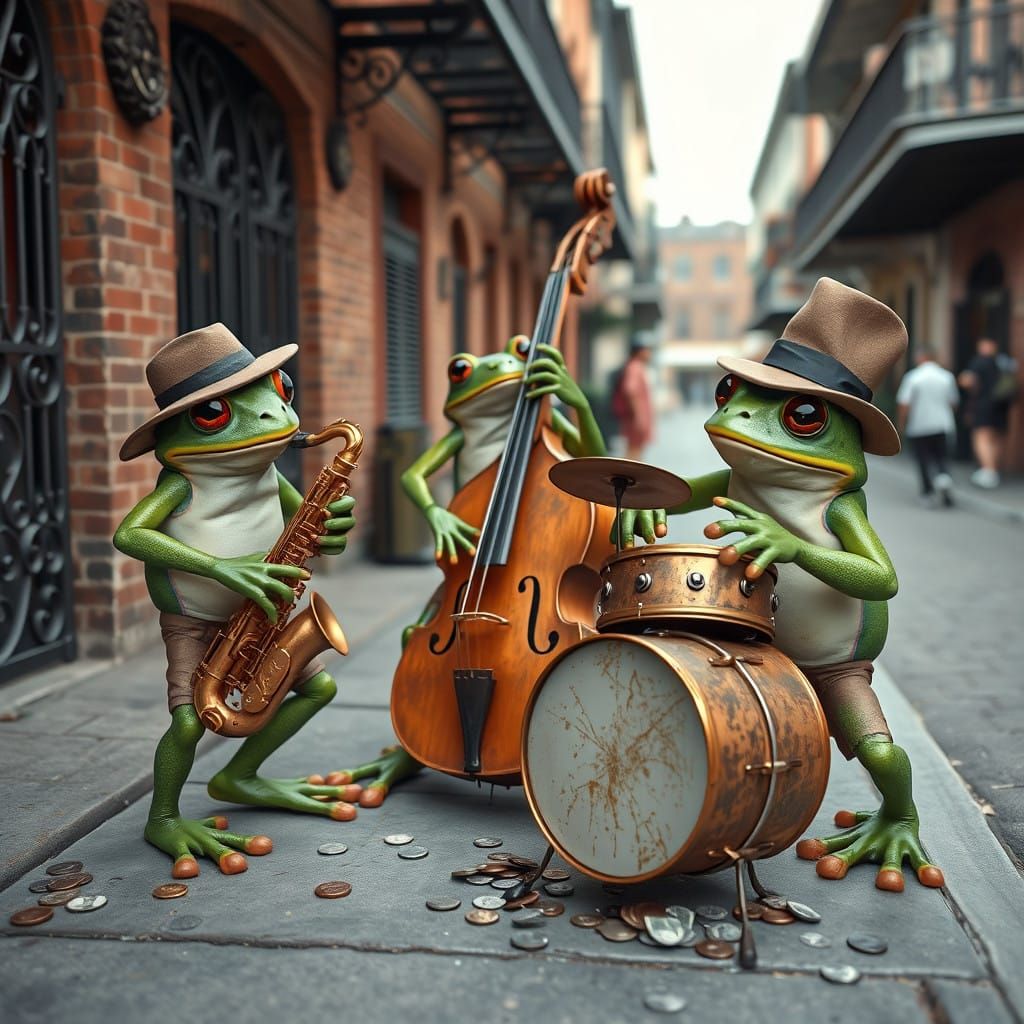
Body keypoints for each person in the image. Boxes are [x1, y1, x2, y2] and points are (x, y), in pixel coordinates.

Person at [895, 348, 959, 507]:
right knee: (941, 456)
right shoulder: (946, 377)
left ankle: (927, 492)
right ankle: (943, 478)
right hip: (942, 424)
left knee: (923, 459)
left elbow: (904, 403)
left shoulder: (913, 377)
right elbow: (953, 402)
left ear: (921, 358)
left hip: (919, 424)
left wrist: (901, 424)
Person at [958, 337, 1018, 488]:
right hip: (1001, 407)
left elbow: (967, 380)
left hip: (984, 405)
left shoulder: (980, 362)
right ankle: (993, 470)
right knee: (995, 439)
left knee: (981, 438)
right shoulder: (1005, 362)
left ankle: (988, 471)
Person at [611, 336, 654, 460]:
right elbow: (630, 390)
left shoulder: (634, 366)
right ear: (640, 351)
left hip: (634, 420)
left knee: (635, 452)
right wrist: (639, 417)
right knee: (633, 454)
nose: (649, 353)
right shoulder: (635, 367)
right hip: (635, 420)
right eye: (647, 350)